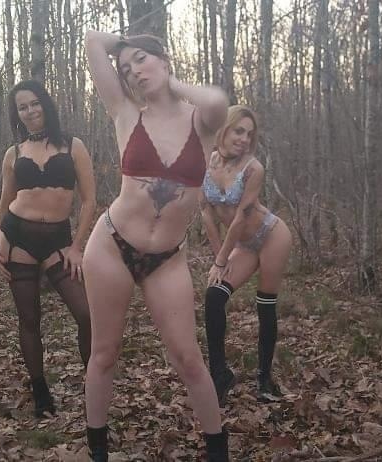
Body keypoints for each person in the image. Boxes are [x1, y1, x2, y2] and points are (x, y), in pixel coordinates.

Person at [82, 31, 230, 461]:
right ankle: (97, 449)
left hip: (166, 258)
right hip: (112, 246)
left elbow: (218, 100)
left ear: (164, 60)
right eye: (126, 69)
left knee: (188, 358)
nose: (133, 72)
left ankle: (218, 450)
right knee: (105, 353)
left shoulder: (201, 122)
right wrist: (127, 50)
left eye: (142, 60)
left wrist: (167, 79)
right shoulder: (126, 113)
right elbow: (92, 41)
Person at [0, 80, 96, 418]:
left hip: (59, 241)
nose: (30, 111)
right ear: (16, 114)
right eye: (23, 107)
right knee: (29, 318)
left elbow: (89, 201)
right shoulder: (14, 153)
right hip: (18, 237)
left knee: (86, 315)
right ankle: (40, 390)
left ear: (45, 104)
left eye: (35, 103)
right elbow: (4, 203)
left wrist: (77, 247)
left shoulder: (73, 145)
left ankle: (94, 383)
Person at [199, 105, 292, 407]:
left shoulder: (253, 168)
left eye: (249, 134)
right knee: (214, 296)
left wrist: (221, 261)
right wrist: (220, 259)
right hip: (243, 245)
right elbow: (206, 212)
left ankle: (264, 378)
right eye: (239, 131)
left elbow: (240, 218)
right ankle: (219, 374)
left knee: (265, 304)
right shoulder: (205, 162)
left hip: (271, 235)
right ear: (224, 129)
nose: (244, 139)